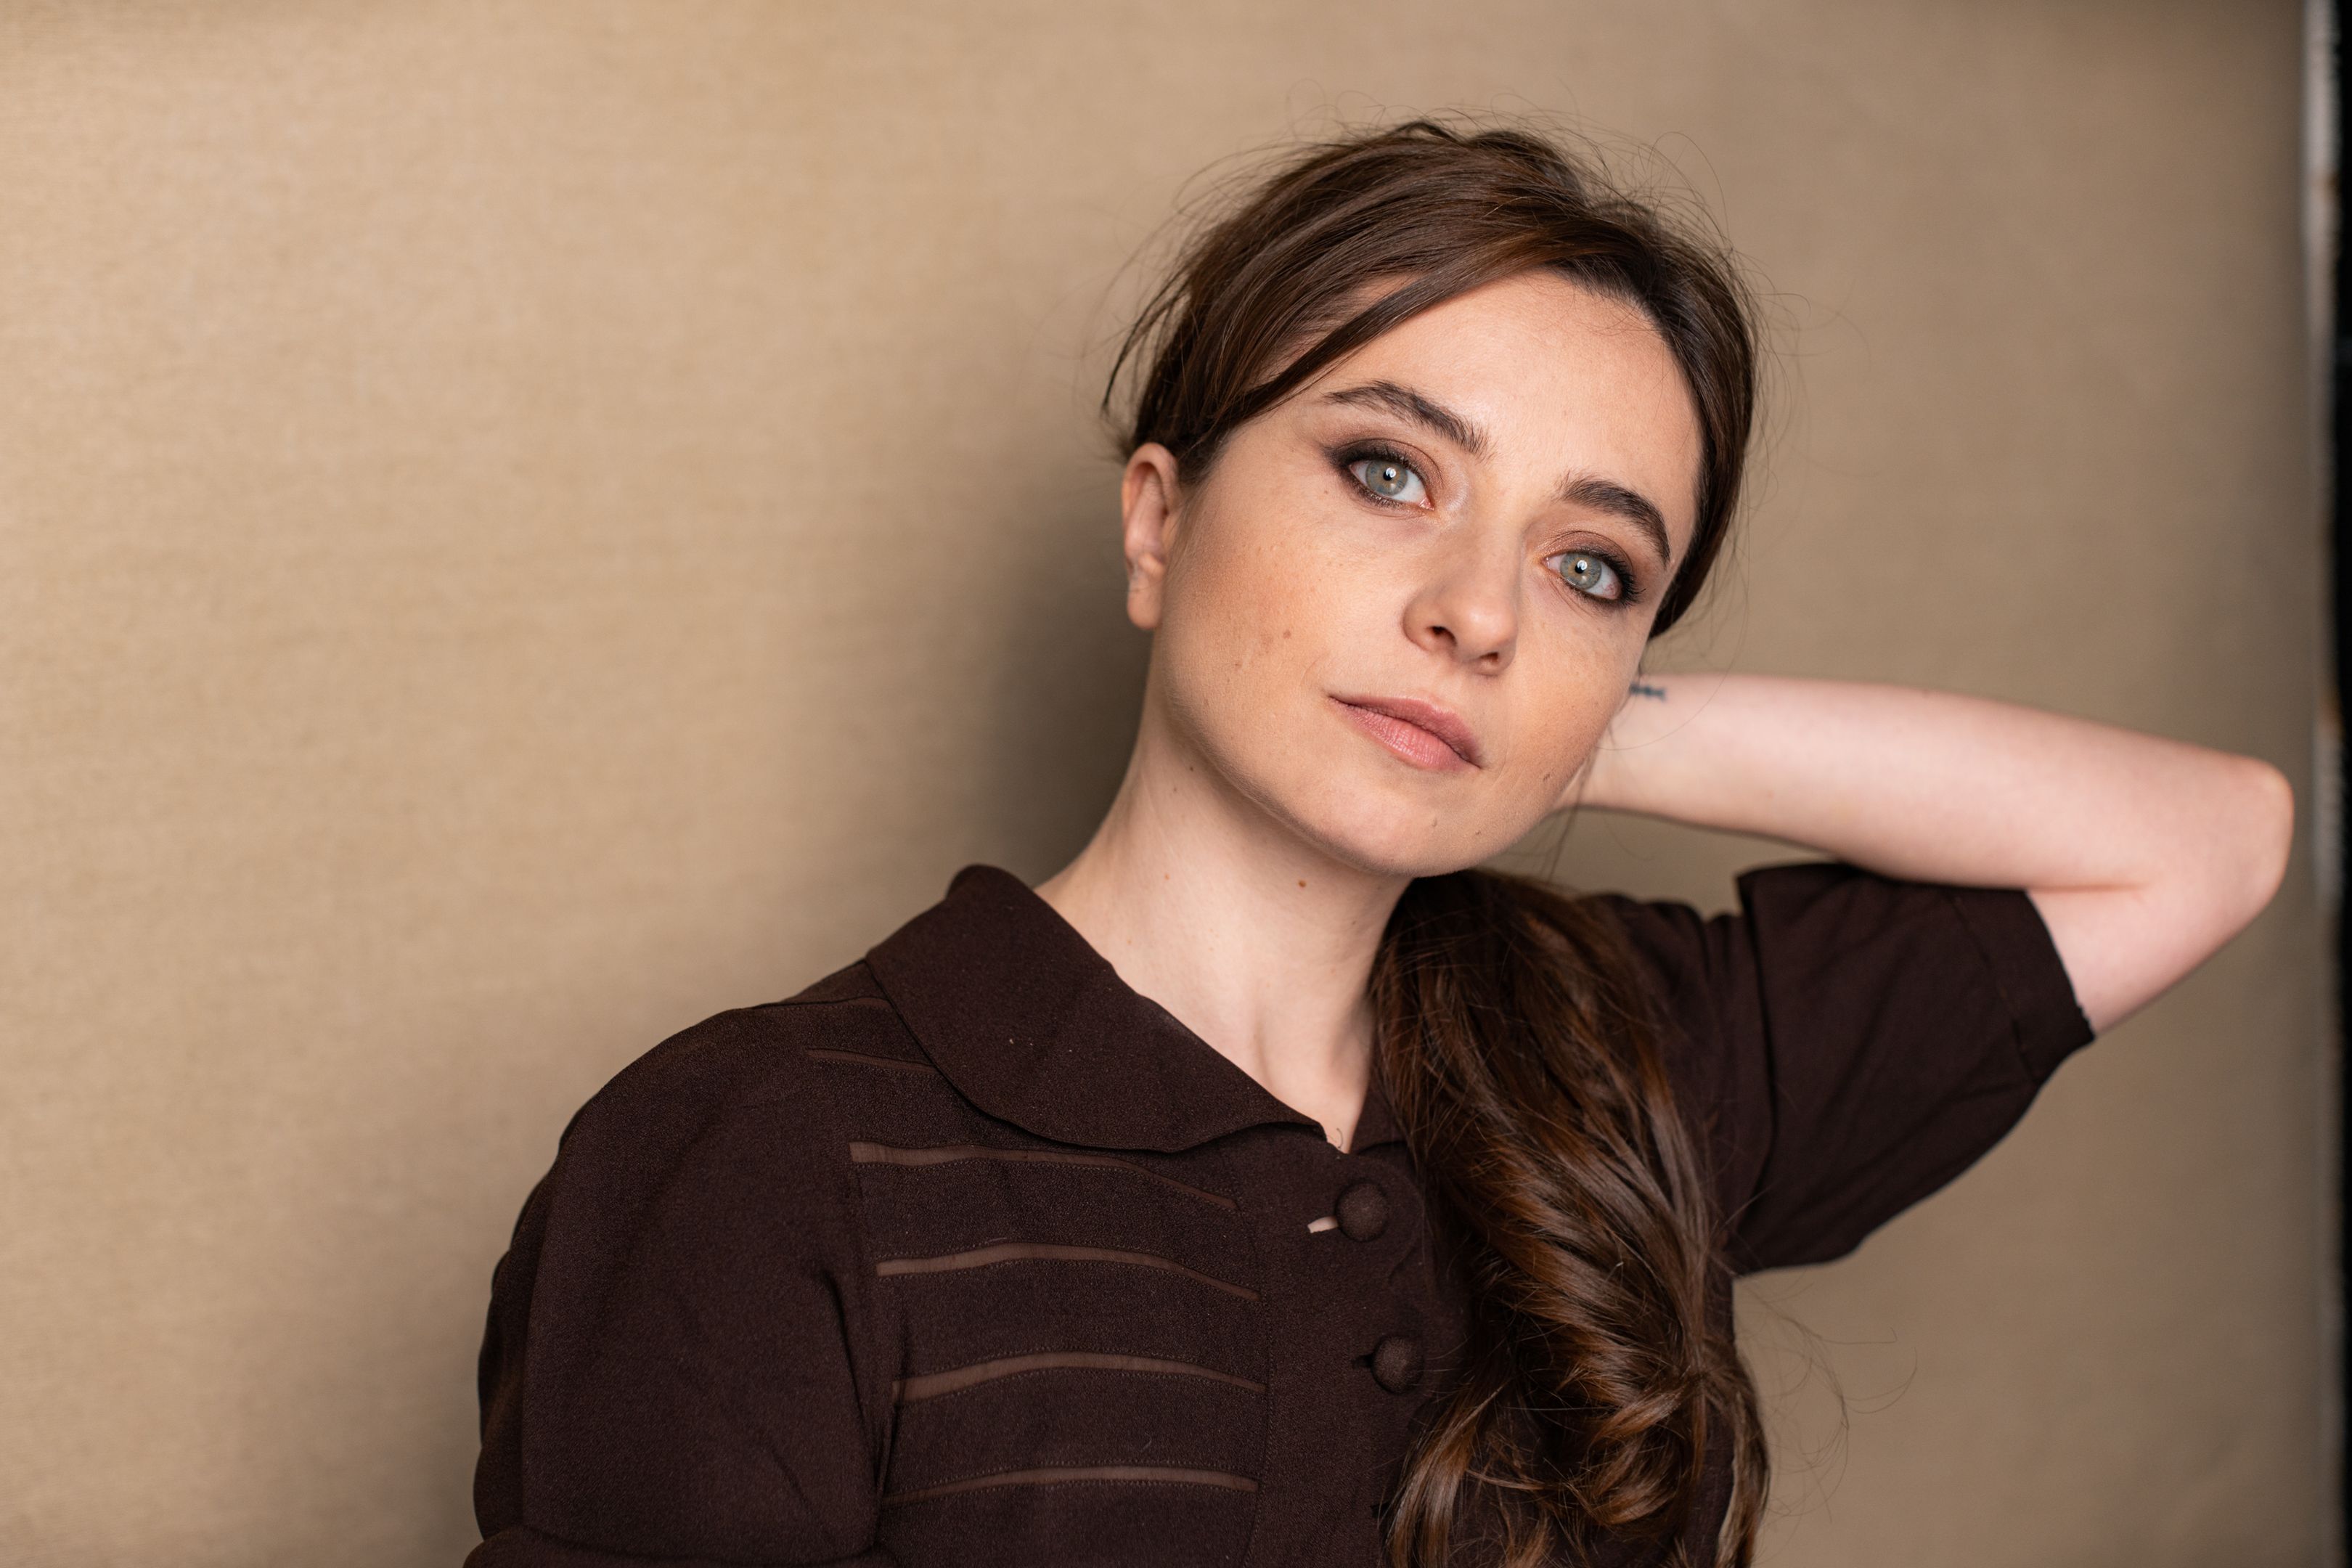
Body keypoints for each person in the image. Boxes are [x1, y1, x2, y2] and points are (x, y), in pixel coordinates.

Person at [465, 121, 2292, 1568]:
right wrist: (1533, 674)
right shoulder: (763, 1155)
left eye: (1592, 566)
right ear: (1159, 520)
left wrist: (1571, 714)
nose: (1477, 610)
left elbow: (2209, 839)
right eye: (1389, 471)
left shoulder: (1613, 1058)